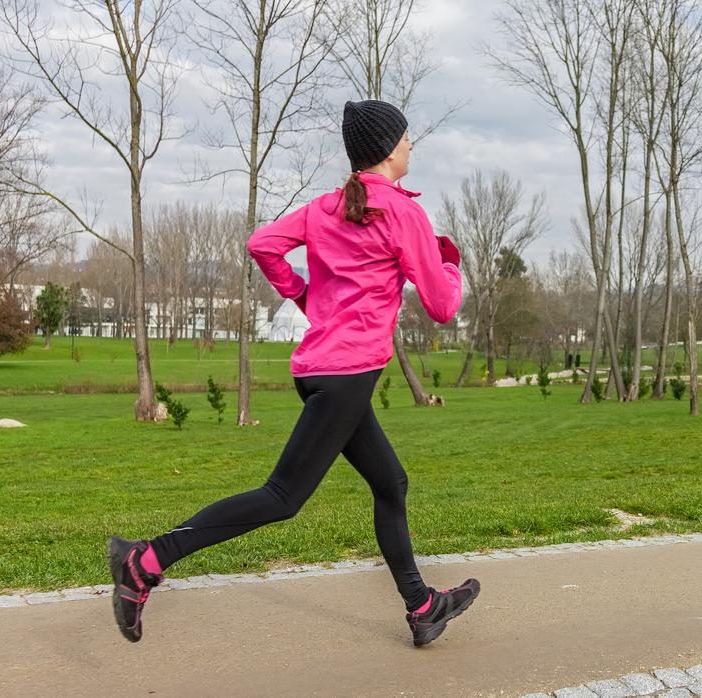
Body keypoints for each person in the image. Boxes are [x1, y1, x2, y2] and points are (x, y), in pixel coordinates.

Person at [106, 99, 479, 648]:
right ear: (387, 148)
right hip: (347, 375)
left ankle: (423, 607)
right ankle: (146, 561)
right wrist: (449, 263)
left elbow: (264, 244)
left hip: (319, 371)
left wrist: (305, 297)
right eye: (405, 137)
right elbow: (444, 306)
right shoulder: (402, 213)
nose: (410, 145)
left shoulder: (327, 206)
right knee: (283, 497)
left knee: (390, 483)